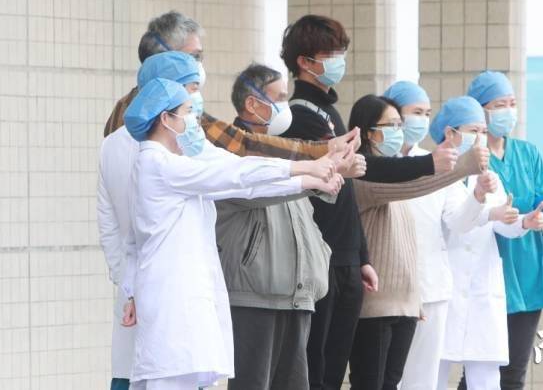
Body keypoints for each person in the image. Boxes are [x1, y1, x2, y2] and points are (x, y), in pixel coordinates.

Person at [279, 14, 488, 390]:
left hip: (349, 262)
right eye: (330, 54)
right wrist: (436, 164)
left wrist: (361, 256)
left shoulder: (328, 114)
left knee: (337, 372)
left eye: (341, 52)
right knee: (321, 371)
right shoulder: (301, 115)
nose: (339, 61)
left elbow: (348, 195)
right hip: (324, 259)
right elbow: (370, 178)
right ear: (304, 62)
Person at [119, 77, 342, 390]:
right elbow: (235, 174)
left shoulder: (176, 162)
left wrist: (308, 181)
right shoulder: (158, 164)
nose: (194, 120)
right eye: (187, 112)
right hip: (171, 298)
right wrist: (304, 168)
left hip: (184, 297)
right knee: (167, 380)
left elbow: (243, 180)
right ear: (165, 118)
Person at [217, 63, 364, 390]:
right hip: (254, 294)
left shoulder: (285, 149)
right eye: (281, 98)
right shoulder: (232, 148)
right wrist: (313, 177)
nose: (287, 106)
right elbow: (254, 191)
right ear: (252, 103)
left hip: (295, 293)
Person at [458, 71, 543, 390]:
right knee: (480, 370)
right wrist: (536, 203)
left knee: (514, 372)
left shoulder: (528, 153)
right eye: (499, 105)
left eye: (512, 103)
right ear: (480, 111)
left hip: (528, 273)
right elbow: (473, 209)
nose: (508, 111)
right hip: (486, 272)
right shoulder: (470, 160)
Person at [346, 95, 489, 390]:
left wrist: (413, 296)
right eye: (391, 125)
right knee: (370, 383)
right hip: (376, 303)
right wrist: (462, 167)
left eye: (400, 125)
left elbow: (407, 243)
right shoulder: (360, 175)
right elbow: (412, 185)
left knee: (391, 382)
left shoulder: (393, 171)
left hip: (405, 303)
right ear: (369, 132)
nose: (398, 132)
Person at [104, 10, 360, 161]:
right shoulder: (162, 118)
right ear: (164, 58)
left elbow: (241, 145)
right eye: (193, 57)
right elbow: (243, 148)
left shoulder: (153, 110)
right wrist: (320, 154)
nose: (199, 66)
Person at [97, 50, 205, 390]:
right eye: (190, 89)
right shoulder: (178, 147)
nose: (195, 99)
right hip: (174, 299)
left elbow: (109, 228)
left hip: (134, 294)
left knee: (129, 375)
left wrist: (127, 287)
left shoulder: (111, 144)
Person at [427, 96, 543, 390]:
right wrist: (483, 203)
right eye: (473, 131)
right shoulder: (434, 173)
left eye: (483, 131)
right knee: (431, 375)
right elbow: (457, 221)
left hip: (481, 287)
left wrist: (523, 222)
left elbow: (501, 220)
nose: (481, 138)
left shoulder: (487, 174)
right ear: (450, 133)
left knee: (486, 377)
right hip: (445, 286)